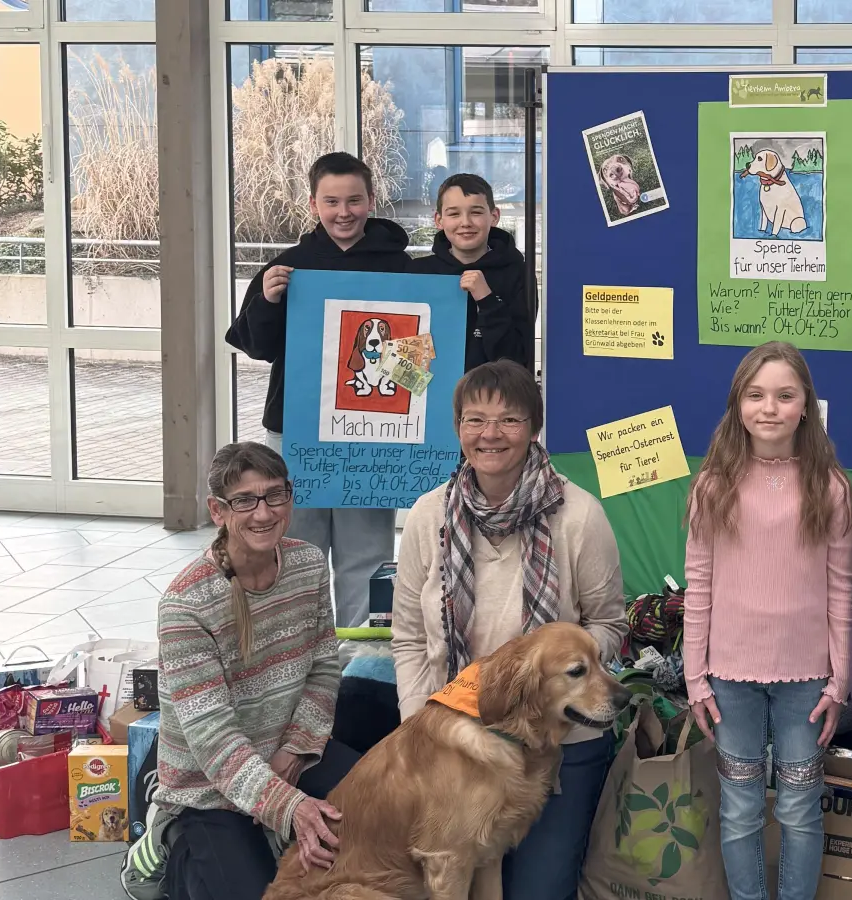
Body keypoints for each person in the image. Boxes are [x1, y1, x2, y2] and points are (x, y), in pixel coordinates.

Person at [391, 359, 629, 900]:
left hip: (561, 741)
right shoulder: (430, 517)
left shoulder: (579, 516)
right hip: (458, 741)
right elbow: (406, 635)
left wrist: (549, 669)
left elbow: (610, 623)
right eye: (475, 420)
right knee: (458, 884)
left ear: (534, 429)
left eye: (509, 420)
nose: (490, 434)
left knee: (538, 892)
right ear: (457, 429)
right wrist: (416, 722)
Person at [683, 341, 852, 900]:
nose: (770, 408)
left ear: (806, 404)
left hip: (805, 679)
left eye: (785, 395)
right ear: (737, 404)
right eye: (755, 395)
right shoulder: (713, 484)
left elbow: (840, 588)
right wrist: (694, 676)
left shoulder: (828, 486)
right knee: (739, 810)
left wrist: (840, 677)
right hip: (729, 675)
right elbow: (700, 584)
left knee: (802, 810)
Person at [152, 442, 359, 900]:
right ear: (218, 510)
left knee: (381, 807)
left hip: (290, 758)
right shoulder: (185, 603)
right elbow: (213, 738)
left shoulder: (306, 564)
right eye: (245, 500)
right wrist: (290, 808)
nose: (263, 513)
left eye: (275, 495)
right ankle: (167, 853)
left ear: (290, 497)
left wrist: (297, 749)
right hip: (207, 789)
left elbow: (324, 668)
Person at [225, 151, 411, 629]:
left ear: (371, 201)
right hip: (297, 432)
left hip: (373, 435)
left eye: (353, 200)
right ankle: (294, 649)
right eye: (331, 201)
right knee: (293, 550)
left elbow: (417, 365)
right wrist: (267, 301)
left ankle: (359, 663)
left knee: (368, 555)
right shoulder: (286, 269)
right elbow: (256, 346)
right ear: (313, 204)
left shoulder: (405, 271)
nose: (343, 212)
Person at [408, 172, 535, 373]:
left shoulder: (518, 274)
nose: (465, 222)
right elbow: (403, 348)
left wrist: (487, 300)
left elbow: (516, 358)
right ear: (439, 220)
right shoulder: (418, 273)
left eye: (476, 212)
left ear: (494, 217)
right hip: (432, 394)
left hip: (493, 398)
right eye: (454, 214)